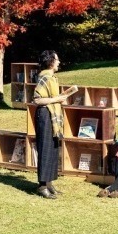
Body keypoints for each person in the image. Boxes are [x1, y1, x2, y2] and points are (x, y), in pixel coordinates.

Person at [32, 50, 77, 199]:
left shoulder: (52, 77)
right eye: (57, 60)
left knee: (53, 148)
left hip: (52, 115)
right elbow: (37, 100)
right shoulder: (45, 77)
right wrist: (57, 99)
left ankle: (49, 183)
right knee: (45, 149)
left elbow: (52, 97)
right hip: (45, 114)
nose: (59, 62)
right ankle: (42, 186)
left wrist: (60, 98)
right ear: (50, 61)